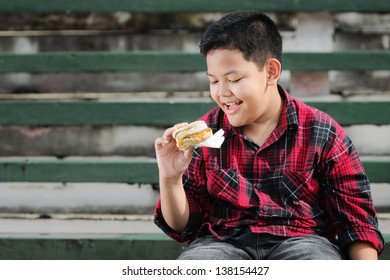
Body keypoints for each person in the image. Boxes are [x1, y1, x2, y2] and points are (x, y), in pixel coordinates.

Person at [153, 10, 385, 260]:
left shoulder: (322, 132)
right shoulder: (205, 135)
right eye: (213, 81)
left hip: (302, 242)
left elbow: (357, 226)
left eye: (233, 79)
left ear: (271, 72)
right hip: (222, 243)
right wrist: (170, 178)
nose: (222, 92)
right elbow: (182, 226)